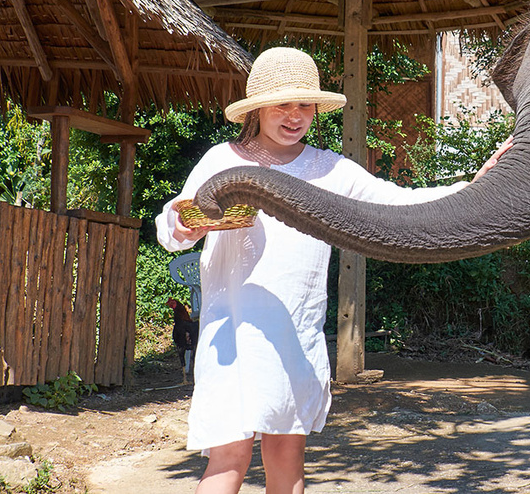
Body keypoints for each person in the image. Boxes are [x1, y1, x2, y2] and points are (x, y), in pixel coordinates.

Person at [155, 46, 511, 494]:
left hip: (293, 335)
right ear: (257, 109)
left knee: (287, 460)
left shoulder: (330, 168)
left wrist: (473, 188)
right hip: (232, 334)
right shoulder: (223, 160)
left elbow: (396, 203)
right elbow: (171, 230)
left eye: (304, 105)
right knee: (229, 458)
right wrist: (186, 224)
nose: (294, 116)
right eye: (282, 104)